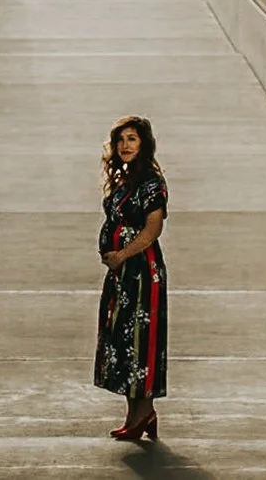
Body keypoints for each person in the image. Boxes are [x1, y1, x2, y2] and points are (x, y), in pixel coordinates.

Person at [94, 113, 169, 442]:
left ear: (144, 145)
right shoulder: (124, 179)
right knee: (122, 341)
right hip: (121, 276)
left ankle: (144, 412)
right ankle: (136, 415)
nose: (125, 145)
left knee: (141, 343)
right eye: (121, 140)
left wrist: (123, 254)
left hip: (141, 275)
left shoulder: (151, 183)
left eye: (132, 139)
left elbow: (153, 229)